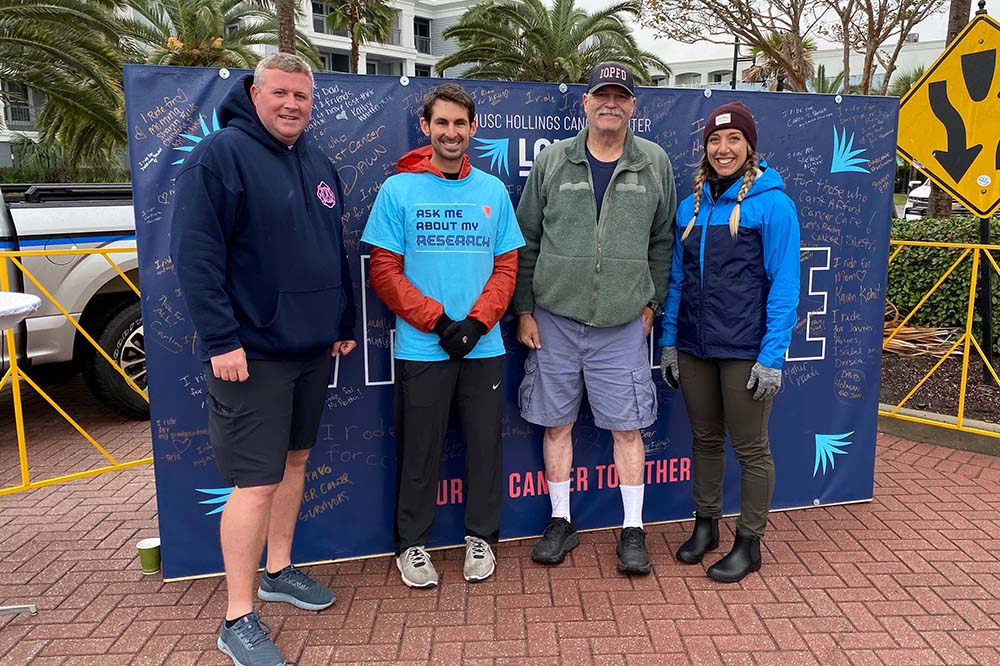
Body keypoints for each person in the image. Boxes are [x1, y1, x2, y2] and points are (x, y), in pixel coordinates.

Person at [171, 53, 357, 666]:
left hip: (310, 348)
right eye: (280, 93)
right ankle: (237, 617)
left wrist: (340, 322)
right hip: (250, 355)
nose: (291, 105)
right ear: (255, 93)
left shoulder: (318, 158)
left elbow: (335, 248)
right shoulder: (219, 156)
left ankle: (279, 570)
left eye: (301, 96)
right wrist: (221, 341)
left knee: (296, 462)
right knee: (255, 482)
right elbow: (195, 257)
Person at [513, 62, 676, 575]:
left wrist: (652, 307)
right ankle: (561, 520)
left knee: (628, 428)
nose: (611, 103)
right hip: (554, 319)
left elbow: (663, 242)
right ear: (584, 103)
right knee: (556, 422)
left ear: (633, 106)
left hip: (624, 325)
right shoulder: (554, 162)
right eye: (601, 94)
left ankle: (633, 528)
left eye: (620, 96)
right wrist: (522, 310)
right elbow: (526, 240)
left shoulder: (654, 163)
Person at [362, 83, 525, 589]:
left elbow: (507, 265)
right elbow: (384, 269)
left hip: (485, 345)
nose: (451, 133)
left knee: (484, 449)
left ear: (473, 130)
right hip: (421, 346)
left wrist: (477, 323)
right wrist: (437, 321)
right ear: (426, 128)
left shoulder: (493, 191)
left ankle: (482, 537)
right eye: (442, 124)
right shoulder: (398, 189)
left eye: (460, 124)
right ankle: (412, 545)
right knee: (420, 452)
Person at [659, 101, 800, 583]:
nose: (724, 149)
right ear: (705, 148)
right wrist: (670, 342)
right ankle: (707, 526)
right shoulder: (690, 206)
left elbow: (784, 285)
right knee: (704, 440)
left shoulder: (773, 203)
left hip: (745, 350)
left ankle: (749, 542)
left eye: (733, 139)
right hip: (697, 347)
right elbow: (677, 281)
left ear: (749, 146)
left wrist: (772, 357)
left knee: (752, 448)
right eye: (715, 141)